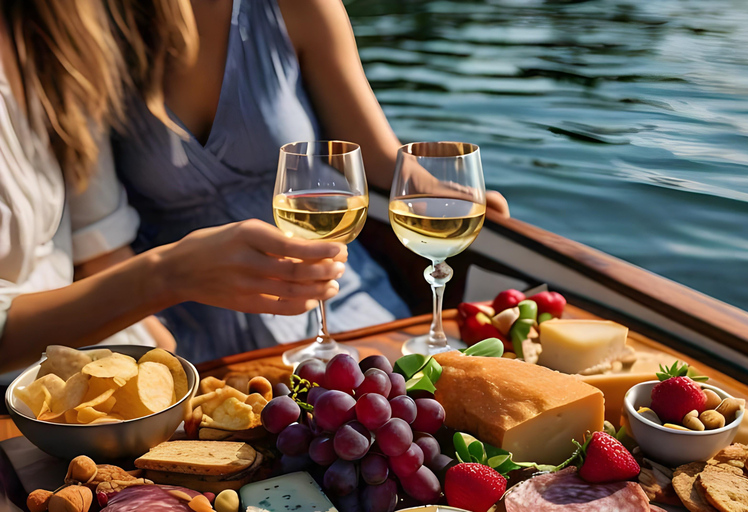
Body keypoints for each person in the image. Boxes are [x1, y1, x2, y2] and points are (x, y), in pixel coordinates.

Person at [110, 0, 511, 362]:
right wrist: (144, 330)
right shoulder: (98, 29)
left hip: (327, 287)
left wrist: (445, 195)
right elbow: (94, 227)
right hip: (178, 313)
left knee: (396, 389)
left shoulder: (300, 6)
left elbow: (378, 158)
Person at [0, 0, 347, 373]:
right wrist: (168, 275)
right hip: (45, 381)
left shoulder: (58, 31)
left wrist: (166, 364)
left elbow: (97, 235)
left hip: (86, 364)